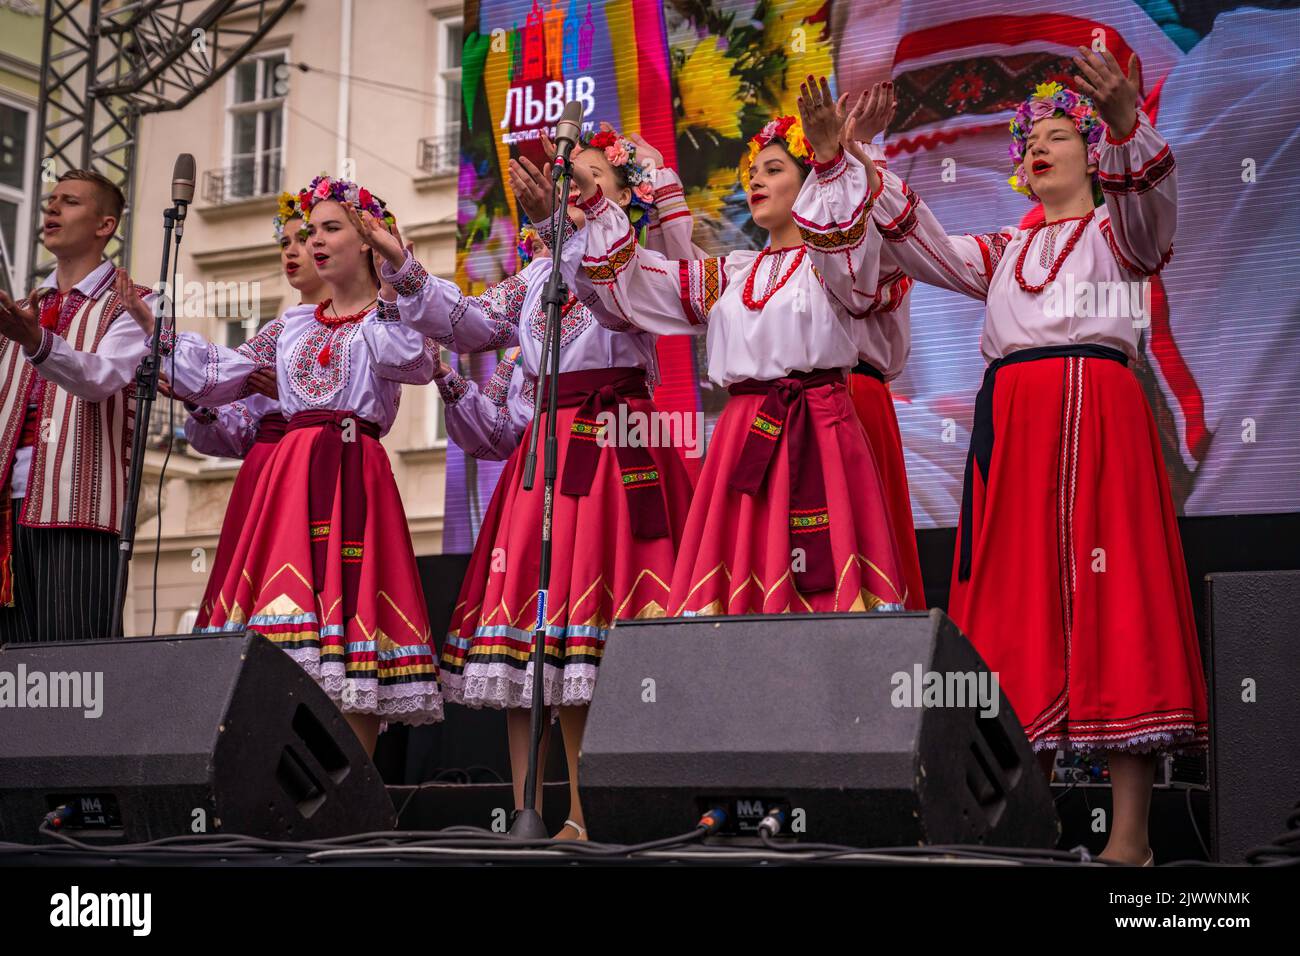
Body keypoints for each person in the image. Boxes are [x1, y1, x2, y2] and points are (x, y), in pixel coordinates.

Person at [867, 51, 1207, 864]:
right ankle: (1021, 829)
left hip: (1098, 416)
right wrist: (856, 166)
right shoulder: (1005, 253)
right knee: (1014, 613)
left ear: (1096, 153)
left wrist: (1127, 122)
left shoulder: (1119, 233)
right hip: (1016, 431)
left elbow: (1152, 217)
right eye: (1031, 141)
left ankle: (1131, 839)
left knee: (1115, 600)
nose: (1040, 148)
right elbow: (926, 248)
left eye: (1061, 134)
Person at [371, 129, 696, 839]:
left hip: (611, 449)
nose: (573, 191)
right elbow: (465, 323)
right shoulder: (533, 278)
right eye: (566, 181)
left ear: (621, 194)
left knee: (589, 639)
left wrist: (560, 223)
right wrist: (402, 266)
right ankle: (529, 808)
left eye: (588, 180)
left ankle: (590, 813)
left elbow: (610, 299)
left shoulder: (632, 265)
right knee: (533, 643)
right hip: (545, 454)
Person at [121, 176, 444, 753]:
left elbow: (416, 363)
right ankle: (274, 795)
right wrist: (155, 329)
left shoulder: (387, 317)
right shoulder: (291, 324)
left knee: (350, 630)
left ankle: (349, 804)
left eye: (331, 228)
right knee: (279, 630)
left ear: (368, 239)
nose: (314, 241)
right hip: (290, 479)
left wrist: (397, 281)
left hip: (352, 472)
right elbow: (221, 375)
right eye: (309, 231)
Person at [577, 77, 909, 616]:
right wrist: (595, 205)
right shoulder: (733, 272)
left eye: (774, 170)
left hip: (818, 427)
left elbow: (857, 238)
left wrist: (843, 156)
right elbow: (643, 281)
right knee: (740, 595)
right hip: (744, 433)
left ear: (810, 185)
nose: (755, 180)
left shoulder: (836, 261)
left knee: (824, 592)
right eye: (752, 172)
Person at [0, 169, 156, 642]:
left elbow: (100, 379)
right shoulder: (25, 307)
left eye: (68, 202)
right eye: (50, 200)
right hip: (7, 510)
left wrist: (37, 341)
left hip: (80, 507)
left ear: (104, 225)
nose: (51, 209)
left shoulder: (134, 304)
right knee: (12, 670)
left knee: (79, 665)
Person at [179, 190, 325, 628]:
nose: (293, 252)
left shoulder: (366, 321)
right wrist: (200, 400)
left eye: (307, 238)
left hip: (321, 463)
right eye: (286, 242)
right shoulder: (277, 332)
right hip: (264, 471)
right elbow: (236, 428)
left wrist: (296, 395)